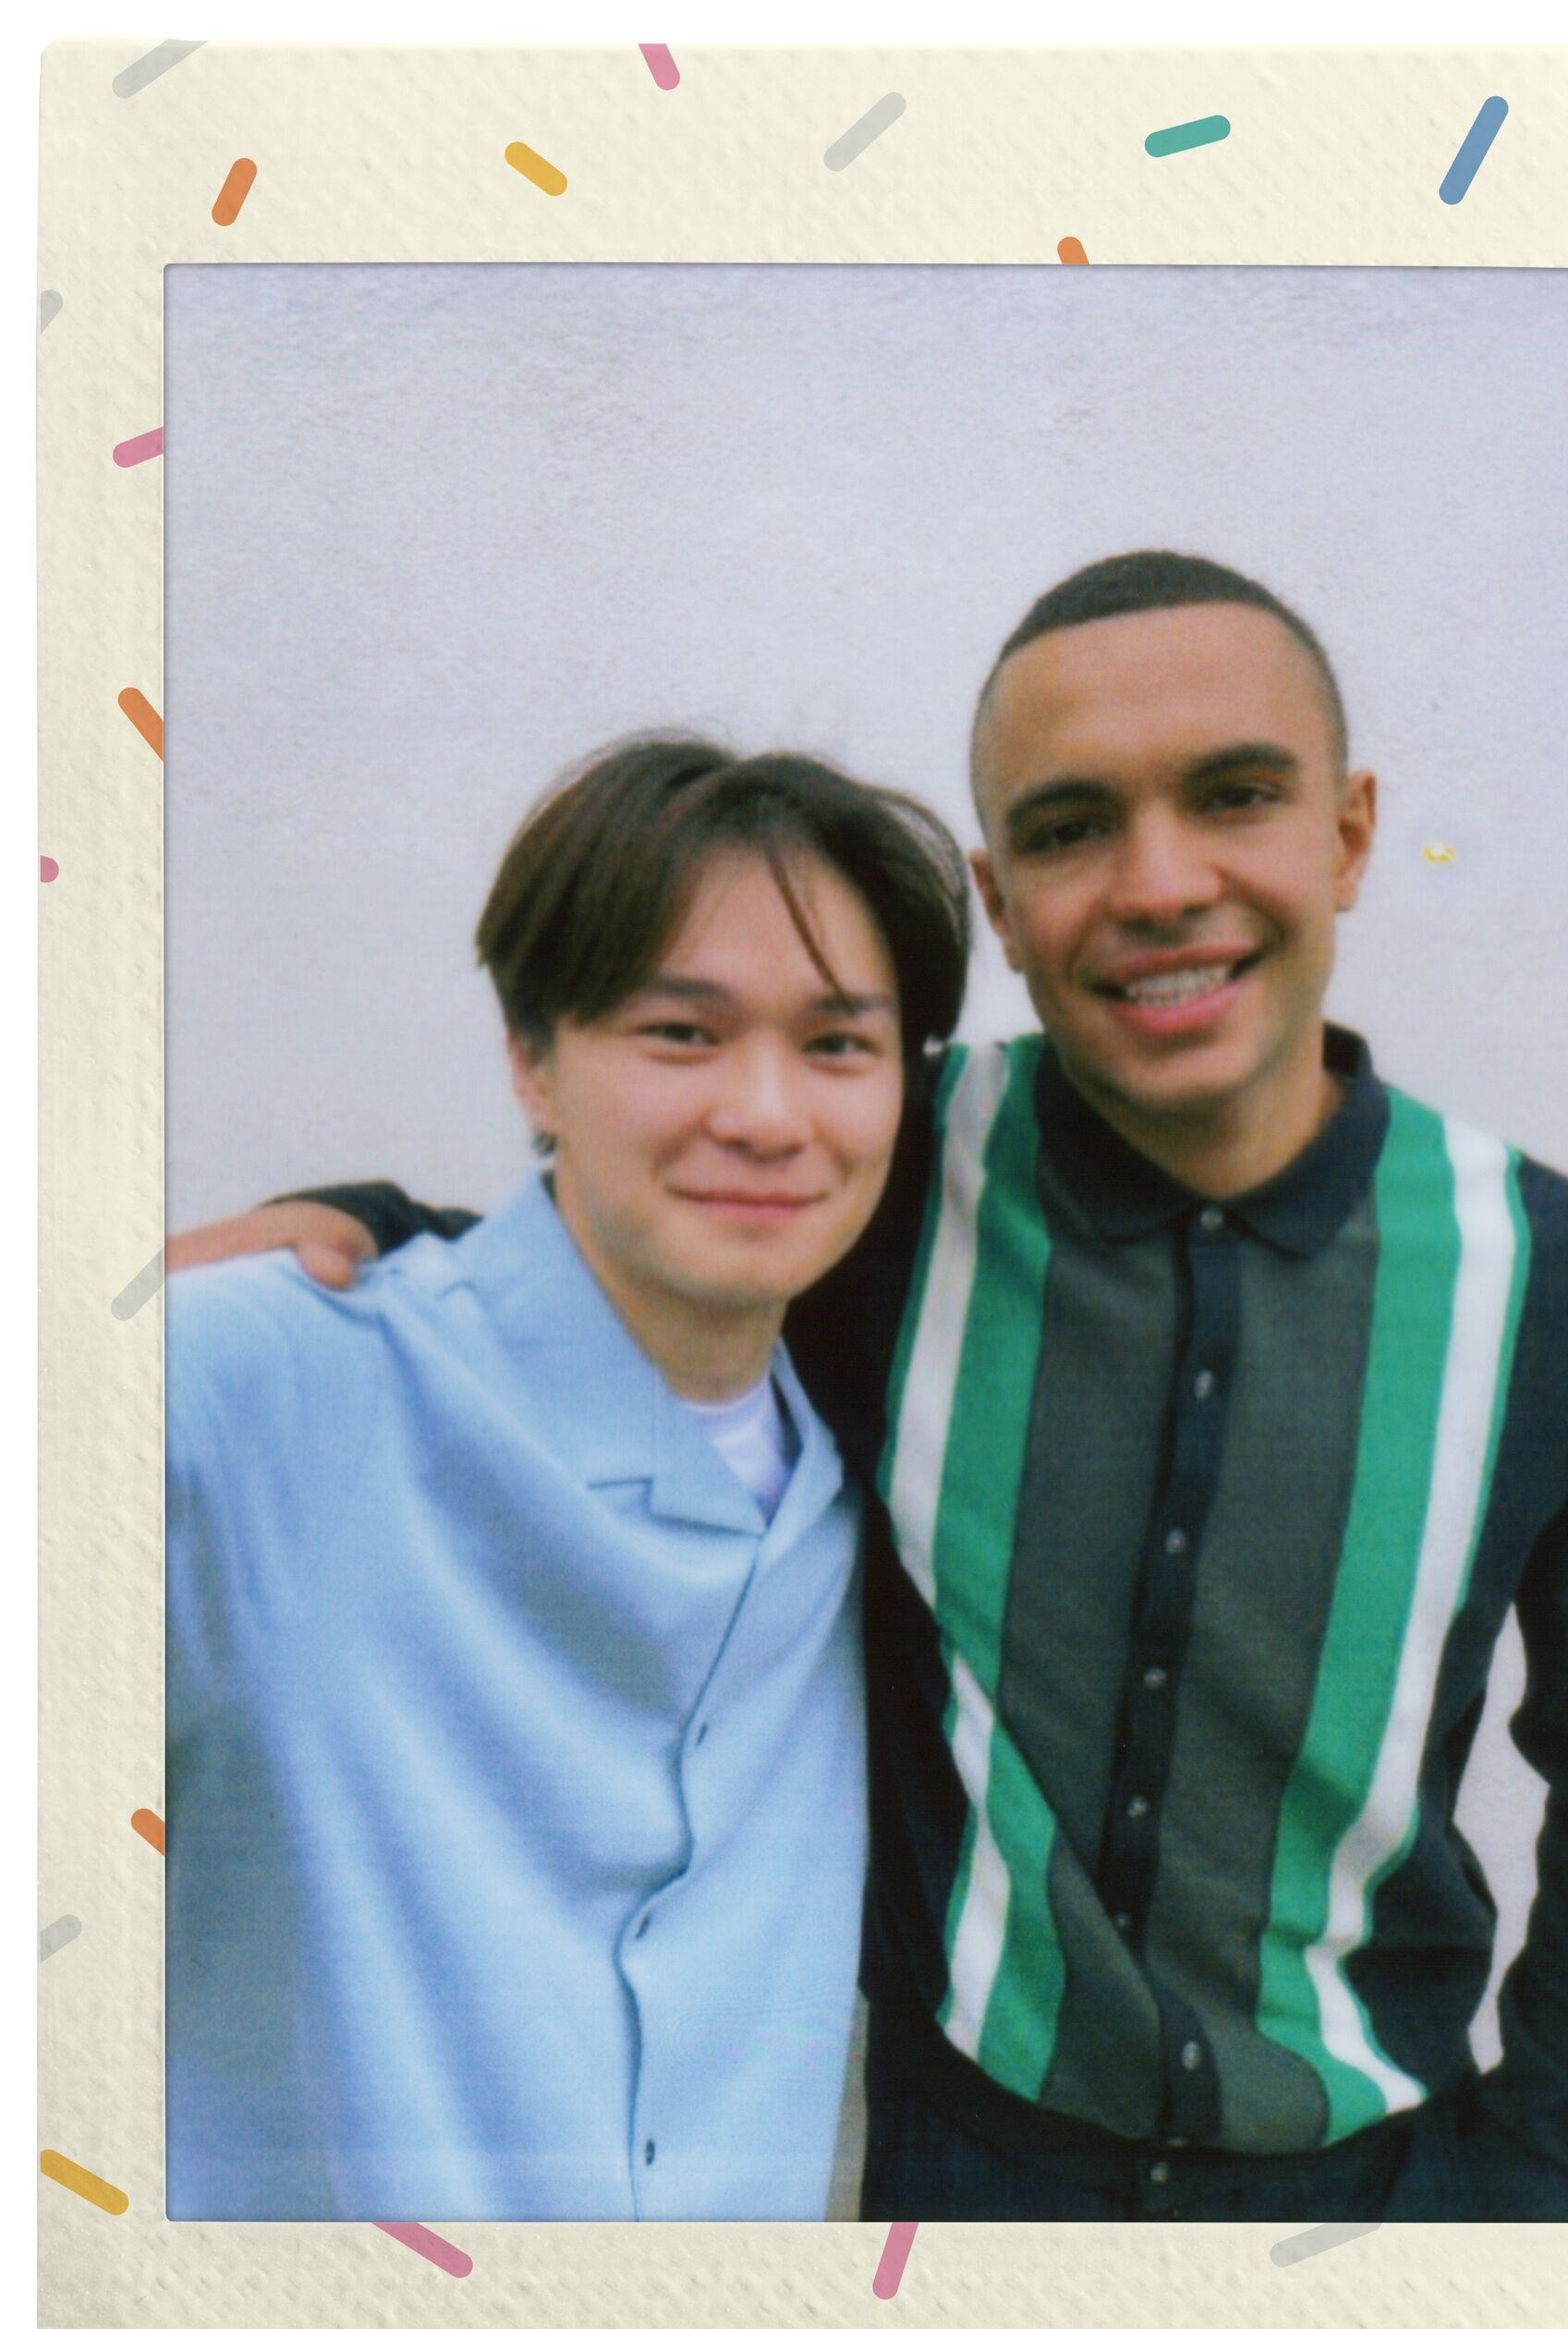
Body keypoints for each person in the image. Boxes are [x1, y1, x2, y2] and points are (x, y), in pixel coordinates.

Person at [176, 553, 1568, 2225]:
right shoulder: (899, 1172)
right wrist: (359, 1224)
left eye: (1235, 796)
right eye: (1071, 827)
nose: (1162, 883)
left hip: (1376, 2203)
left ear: (1350, 833)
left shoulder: (1558, 1279)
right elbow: (636, 1224)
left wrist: (1540, 2176)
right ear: (1002, 902)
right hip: (954, 2192)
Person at [164, 736, 970, 2222]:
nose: (769, 1114)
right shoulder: (268, 1381)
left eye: (839, 1047)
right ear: (532, 1060)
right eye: (682, 1033)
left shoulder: (880, 1464)